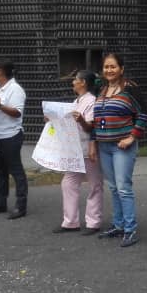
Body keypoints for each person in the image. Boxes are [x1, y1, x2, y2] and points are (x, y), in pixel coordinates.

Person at [90, 53, 147, 246]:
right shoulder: (101, 90)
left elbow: (144, 115)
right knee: (113, 187)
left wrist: (132, 137)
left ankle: (130, 229)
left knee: (123, 187)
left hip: (122, 146)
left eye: (113, 66)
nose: (109, 70)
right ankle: (118, 224)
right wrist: (93, 141)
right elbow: (96, 119)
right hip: (104, 145)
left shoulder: (130, 89)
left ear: (121, 69)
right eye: (106, 67)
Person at [53, 70, 106, 235]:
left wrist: (81, 120)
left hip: (88, 149)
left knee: (95, 184)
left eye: (75, 79)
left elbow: (91, 127)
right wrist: (53, 119)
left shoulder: (91, 101)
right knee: (68, 183)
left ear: (83, 82)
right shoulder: (76, 102)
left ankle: (93, 222)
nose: (73, 82)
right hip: (74, 150)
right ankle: (70, 222)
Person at [0, 58, 28, 220]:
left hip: (11, 135)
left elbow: (17, 112)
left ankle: (20, 206)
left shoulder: (15, 90)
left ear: (0, 71)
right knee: (0, 171)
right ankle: (0, 203)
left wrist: (0, 105)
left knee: (16, 171)